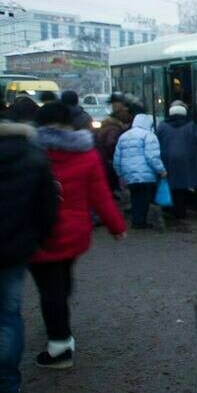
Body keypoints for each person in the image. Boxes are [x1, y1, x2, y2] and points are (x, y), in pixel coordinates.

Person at [30, 102, 126, 369]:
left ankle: (60, 347)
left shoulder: (31, 151)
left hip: (39, 233)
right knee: (61, 279)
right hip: (74, 233)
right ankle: (60, 318)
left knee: (49, 290)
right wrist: (116, 226)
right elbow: (101, 196)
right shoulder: (86, 154)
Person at [0, 120, 58, 391]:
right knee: (9, 317)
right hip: (14, 250)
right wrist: (37, 239)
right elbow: (47, 207)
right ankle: (9, 383)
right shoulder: (33, 155)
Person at [114, 114, 167, 228]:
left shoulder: (123, 136)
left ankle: (136, 219)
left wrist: (120, 174)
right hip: (145, 174)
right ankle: (140, 221)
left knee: (135, 196)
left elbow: (117, 158)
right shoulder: (149, 136)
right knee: (144, 197)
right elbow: (152, 156)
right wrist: (161, 170)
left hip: (129, 174)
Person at [156, 102, 197, 220]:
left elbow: (156, 141)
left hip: (168, 160)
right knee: (181, 188)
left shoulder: (162, 126)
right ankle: (181, 212)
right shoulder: (191, 125)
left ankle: (169, 208)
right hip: (186, 161)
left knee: (171, 185)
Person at [95, 93, 133, 194]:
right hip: (115, 156)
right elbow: (110, 143)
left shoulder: (110, 121)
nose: (114, 106)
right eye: (114, 104)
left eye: (116, 104)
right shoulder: (118, 124)